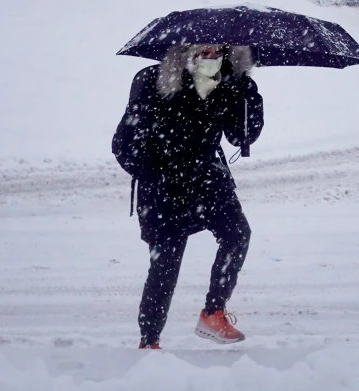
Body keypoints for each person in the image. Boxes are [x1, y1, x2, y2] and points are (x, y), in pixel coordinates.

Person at [112, 44, 264, 349]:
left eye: (217, 51)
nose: (210, 57)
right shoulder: (155, 80)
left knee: (237, 234)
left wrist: (247, 93)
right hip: (164, 186)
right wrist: (156, 172)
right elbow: (124, 144)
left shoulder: (229, 84)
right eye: (202, 50)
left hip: (208, 178)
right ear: (185, 51)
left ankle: (213, 313)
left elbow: (241, 136)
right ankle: (149, 339)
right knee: (165, 264)